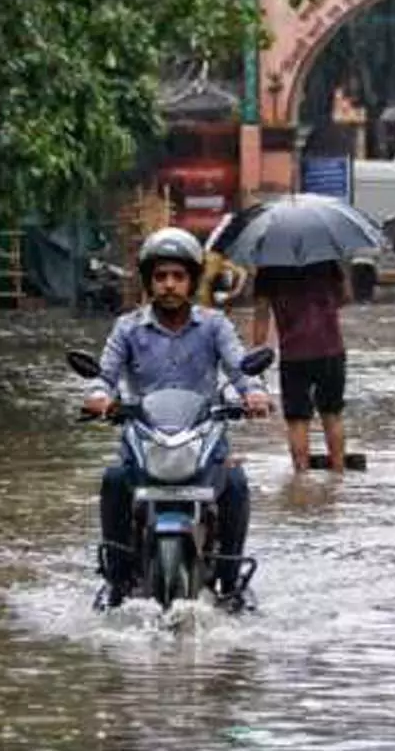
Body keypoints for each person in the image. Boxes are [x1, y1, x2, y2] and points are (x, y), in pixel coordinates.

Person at [82, 227, 270, 607]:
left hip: (203, 437)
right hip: (145, 438)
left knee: (234, 483)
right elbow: (105, 376)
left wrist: (254, 393)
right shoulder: (128, 328)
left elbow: (240, 369)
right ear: (150, 282)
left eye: (178, 276)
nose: (169, 285)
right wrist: (100, 398)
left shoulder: (214, 325)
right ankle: (118, 576)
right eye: (160, 277)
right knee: (115, 479)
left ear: (192, 281)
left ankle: (230, 580)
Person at [251, 262, 350, 473]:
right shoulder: (327, 260)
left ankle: (301, 477)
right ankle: (339, 474)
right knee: (332, 413)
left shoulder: (268, 267)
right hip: (330, 349)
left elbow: (261, 314)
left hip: (293, 354)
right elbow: (345, 297)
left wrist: (257, 353)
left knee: (297, 419)